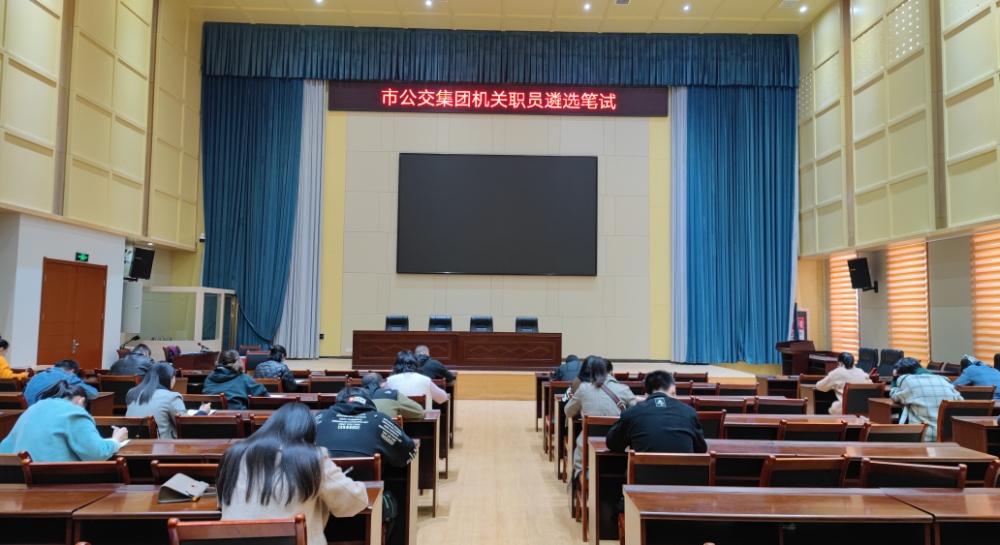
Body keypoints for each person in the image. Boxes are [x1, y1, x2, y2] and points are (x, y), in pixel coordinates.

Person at [217, 403, 368, 545]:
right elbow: (352, 502)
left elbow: (221, 503)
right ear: (309, 433)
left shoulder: (232, 454)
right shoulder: (312, 457)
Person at [0, 380, 128, 461]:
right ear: (81, 401)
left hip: (18, 479)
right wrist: (115, 441)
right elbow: (97, 453)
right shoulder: (76, 413)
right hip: (52, 483)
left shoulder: (33, 408)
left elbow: (5, 447)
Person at [564, 357, 636, 478]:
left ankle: (578, 480)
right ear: (611, 372)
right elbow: (636, 414)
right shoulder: (624, 390)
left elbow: (568, 411)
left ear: (592, 373)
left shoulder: (584, 389)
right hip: (620, 448)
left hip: (587, 451)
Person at [606, 370, 707, 454]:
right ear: (673, 391)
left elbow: (613, 444)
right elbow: (701, 449)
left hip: (642, 473)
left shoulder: (631, 413)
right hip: (684, 473)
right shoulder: (689, 412)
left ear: (646, 394)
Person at [315, 387, 417, 466]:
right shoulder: (380, 419)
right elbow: (409, 452)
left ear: (338, 401)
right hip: (365, 484)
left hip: (320, 483)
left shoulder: (320, 416)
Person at [125, 362, 210, 438]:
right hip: (162, 446)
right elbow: (187, 427)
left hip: (133, 441)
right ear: (169, 378)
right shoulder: (171, 397)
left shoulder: (132, 392)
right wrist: (202, 413)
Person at [890, 357, 963, 442]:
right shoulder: (944, 380)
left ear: (900, 373)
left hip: (923, 437)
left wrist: (894, 379)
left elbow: (895, 397)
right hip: (950, 438)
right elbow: (960, 401)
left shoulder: (907, 381)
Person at [202, 350, 269, 410]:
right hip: (236, 418)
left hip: (211, 418)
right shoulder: (244, 379)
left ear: (217, 362)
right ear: (238, 362)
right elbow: (265, 395)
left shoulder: (209, 379)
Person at [23, 359, 98, 406]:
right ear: (72, 372)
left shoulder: (36, 376)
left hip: (27, 414)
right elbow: (93, 394)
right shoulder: (68, 376)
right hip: (46, 417)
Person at [359, 372, 424, 420]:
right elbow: (420, 412)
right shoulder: (394, 395)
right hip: (387, 434)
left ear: (363, 386)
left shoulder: (354, 396)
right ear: (382, 384)